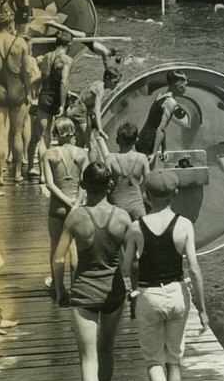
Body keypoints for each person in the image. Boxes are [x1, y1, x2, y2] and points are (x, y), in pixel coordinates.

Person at [121, 168, 209, 381]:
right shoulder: (184, 225)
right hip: (178, 295)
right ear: (175, 194)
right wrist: (203, 309)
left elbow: (126, 268)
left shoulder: (137, 227)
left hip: (150, 295)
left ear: (146, 195)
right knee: (174, 361)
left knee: (152, 360)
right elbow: (194, 269)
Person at [51, 161, 130, 381]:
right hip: (114, 294)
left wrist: (60, 290)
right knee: (106, 350)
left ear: (83, 185)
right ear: (109, 186)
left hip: (83, 294)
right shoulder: (122, 217)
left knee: (87, 357)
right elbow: (132, 259)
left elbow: (59, 258)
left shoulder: (75, 217)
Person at [42, 116, 87, 279]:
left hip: (57, 207)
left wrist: (66, 201)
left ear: (56, 133)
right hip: (77, 206)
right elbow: (85, 181)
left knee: (55, 246)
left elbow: (49, 184)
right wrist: (76, 202)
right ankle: (75, 283)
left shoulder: (49, 154)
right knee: (73, 247)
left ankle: (55, 281)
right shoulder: (82, 153)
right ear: (73, 131)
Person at [0, 5, 38, 185]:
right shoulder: (20, 43)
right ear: (10, 24)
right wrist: (29, 92)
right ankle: (16, 174)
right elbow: (28, 72)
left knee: (0, 134)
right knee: (16, 132)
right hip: (17, 91)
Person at [27, 29, 74, 180]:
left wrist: (27, 87)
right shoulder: (67, 60)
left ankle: (43, 175)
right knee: (65, 134)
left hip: (44, 96)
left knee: (43, 136)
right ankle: (65, 170)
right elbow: (63, 81)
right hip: (56, 97)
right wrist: (62, 103)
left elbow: (42, 77)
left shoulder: (46, 57)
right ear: (69, 44)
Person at [94, 121, 150, 220]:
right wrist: (141, 191)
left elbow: (106, 184)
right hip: (137, 206)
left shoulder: (110, 159)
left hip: (116, 207)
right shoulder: (142, 158)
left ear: (117, 140)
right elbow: (149, 181)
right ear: (136, 140)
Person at [135, 70, 192, 159]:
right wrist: (154, 153)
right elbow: (160, 130)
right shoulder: (171, 102)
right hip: (149, 143)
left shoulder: (161, 95)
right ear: (178, 85)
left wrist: (164, 148)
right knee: (147, 171)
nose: (186, 89)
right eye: (185, 85)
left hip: (142, 138)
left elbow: (158, 125)